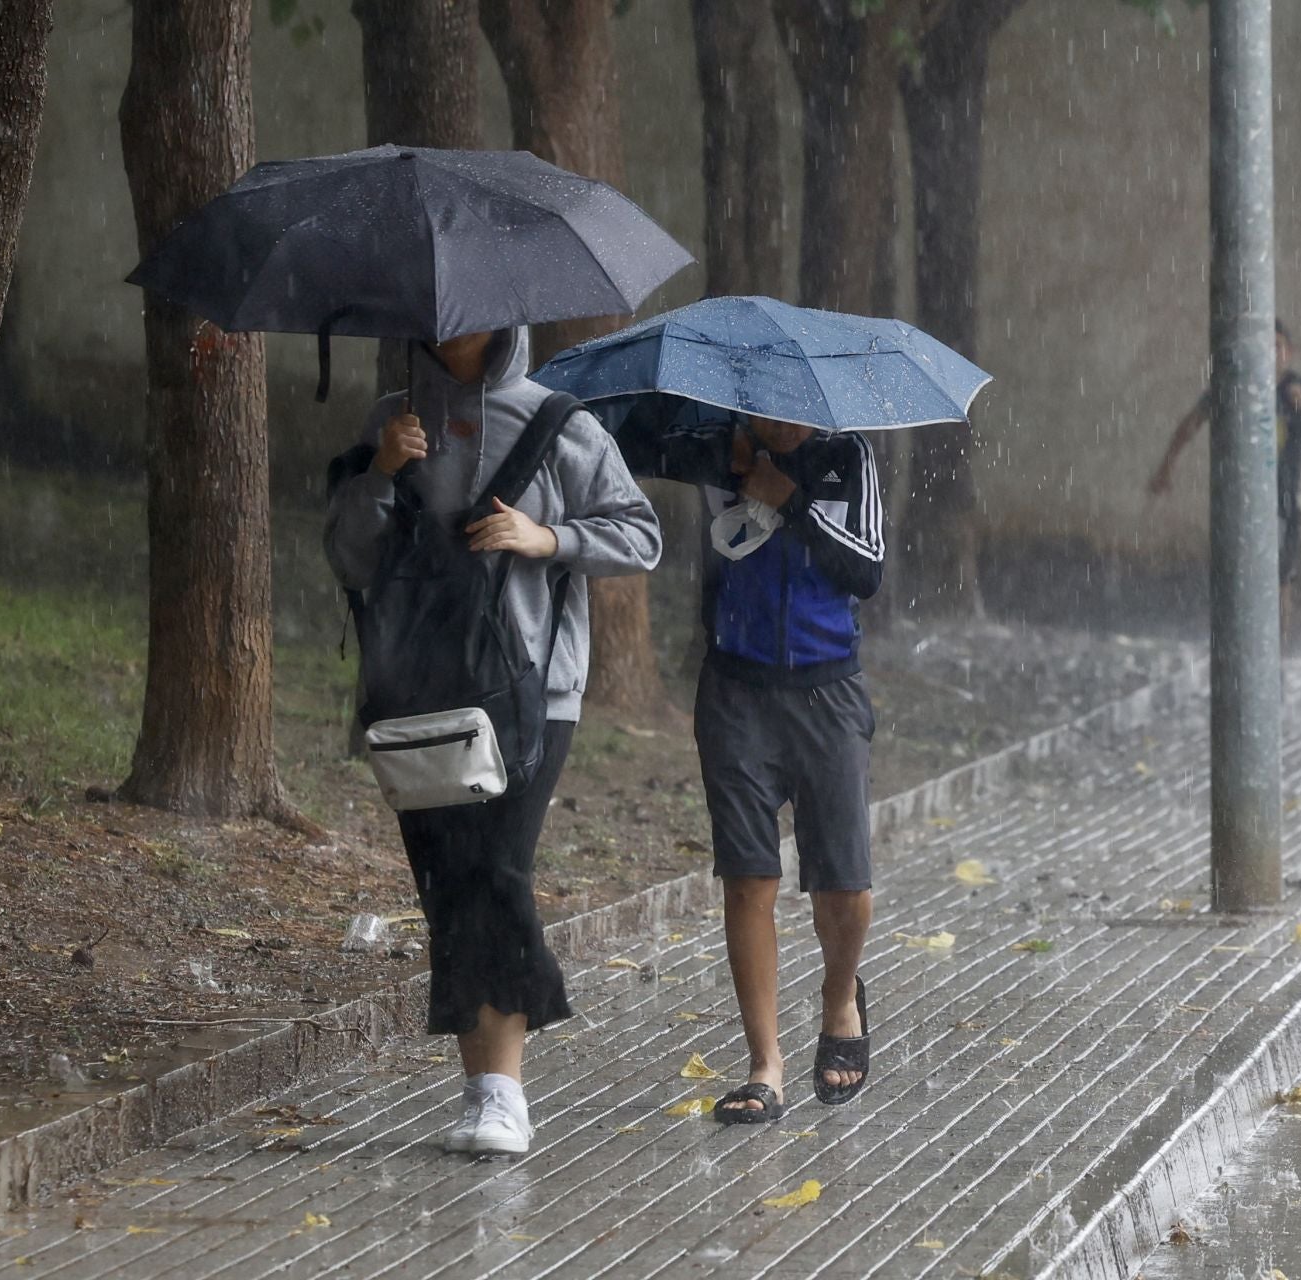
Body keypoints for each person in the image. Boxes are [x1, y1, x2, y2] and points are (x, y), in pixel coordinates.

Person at [325, 327, 662, 1157]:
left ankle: (503, 1095)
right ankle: (482, 1092)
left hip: (531, 694)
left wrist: (546, 539)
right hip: (416, 693)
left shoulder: (558, 422)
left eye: (467, 311)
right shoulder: (390, 421)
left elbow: (641, 533)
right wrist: (379, 475)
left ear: (503, 315)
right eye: (431, 311)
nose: (448, 324)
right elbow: (348, 557)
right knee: (446, 885)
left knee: (497, 871)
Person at [627, 411, 883, 1123]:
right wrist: (726, 454)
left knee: (846, 885)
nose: (782, 421)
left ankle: (839, 1003)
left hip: (828, 688)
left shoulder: (847, 455)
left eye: (794, 410)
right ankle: (764, 1066)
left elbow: (866, 569)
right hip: (735, 690)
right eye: (766, 408)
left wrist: (788, 499)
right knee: (749, 878)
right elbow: (633, 440)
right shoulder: (721, 448)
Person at [1146, 320, 1301, 636]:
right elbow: (1191, 424)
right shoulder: (1234, 385)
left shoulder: (1297, 388)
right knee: (1238, 574)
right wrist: (1166, 467)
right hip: (1238, 501)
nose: (1270, 354)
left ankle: (1273, 661)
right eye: (1263, 346)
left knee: (1279, 579)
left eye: (1276, 346)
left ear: (1288, 353)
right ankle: (1240, 649)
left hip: (1282, 501)